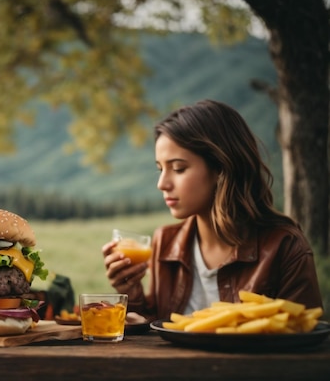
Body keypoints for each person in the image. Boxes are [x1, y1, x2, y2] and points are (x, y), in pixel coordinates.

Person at [102, 99, 323, 321]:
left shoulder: (285, 247)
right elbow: (155, 333)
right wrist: (131, 291)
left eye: (179, 168)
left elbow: (303, 336)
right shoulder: (166, 242)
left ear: (221, 167)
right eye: (160, 169)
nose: (162, 183)